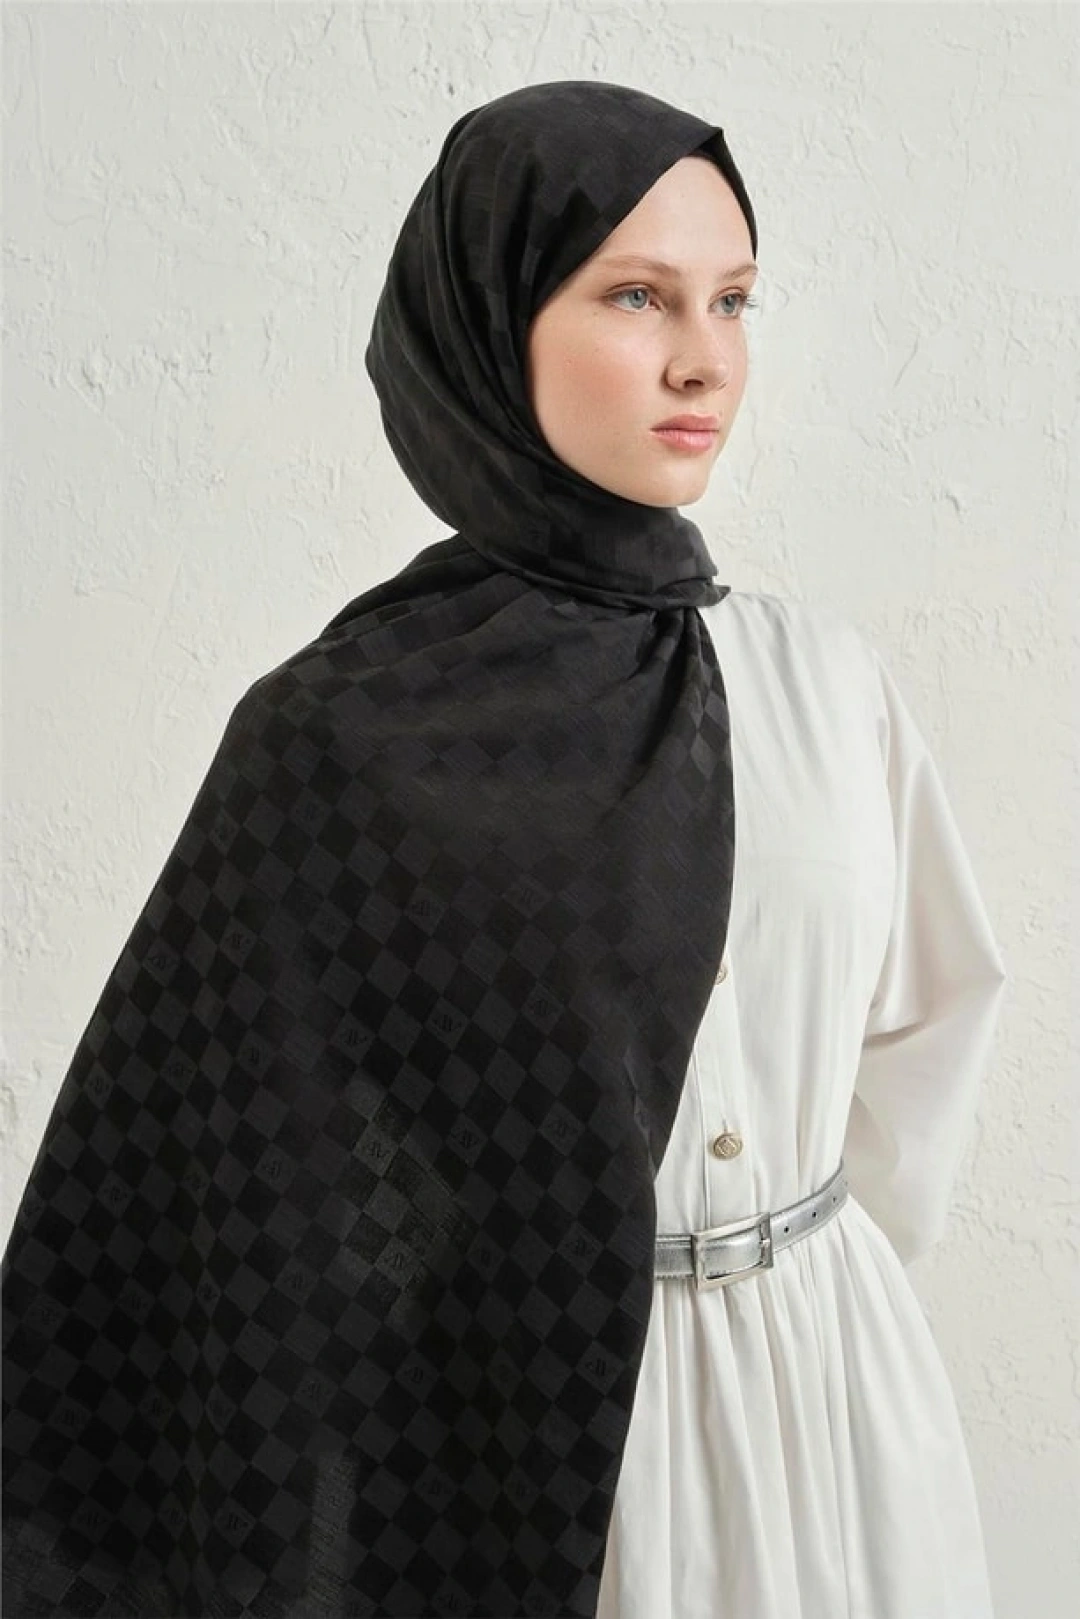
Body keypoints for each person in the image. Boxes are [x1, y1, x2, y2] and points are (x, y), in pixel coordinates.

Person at [1, 80, 1007, 1619]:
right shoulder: (345, 735)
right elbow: (232, 1186)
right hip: (532, 1450)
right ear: (487, 321)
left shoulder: (825, 682)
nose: (704, 356)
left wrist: (795, 1266)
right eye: (636, 295)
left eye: (734, 298)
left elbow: (934, 1016)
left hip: (838, 1385)